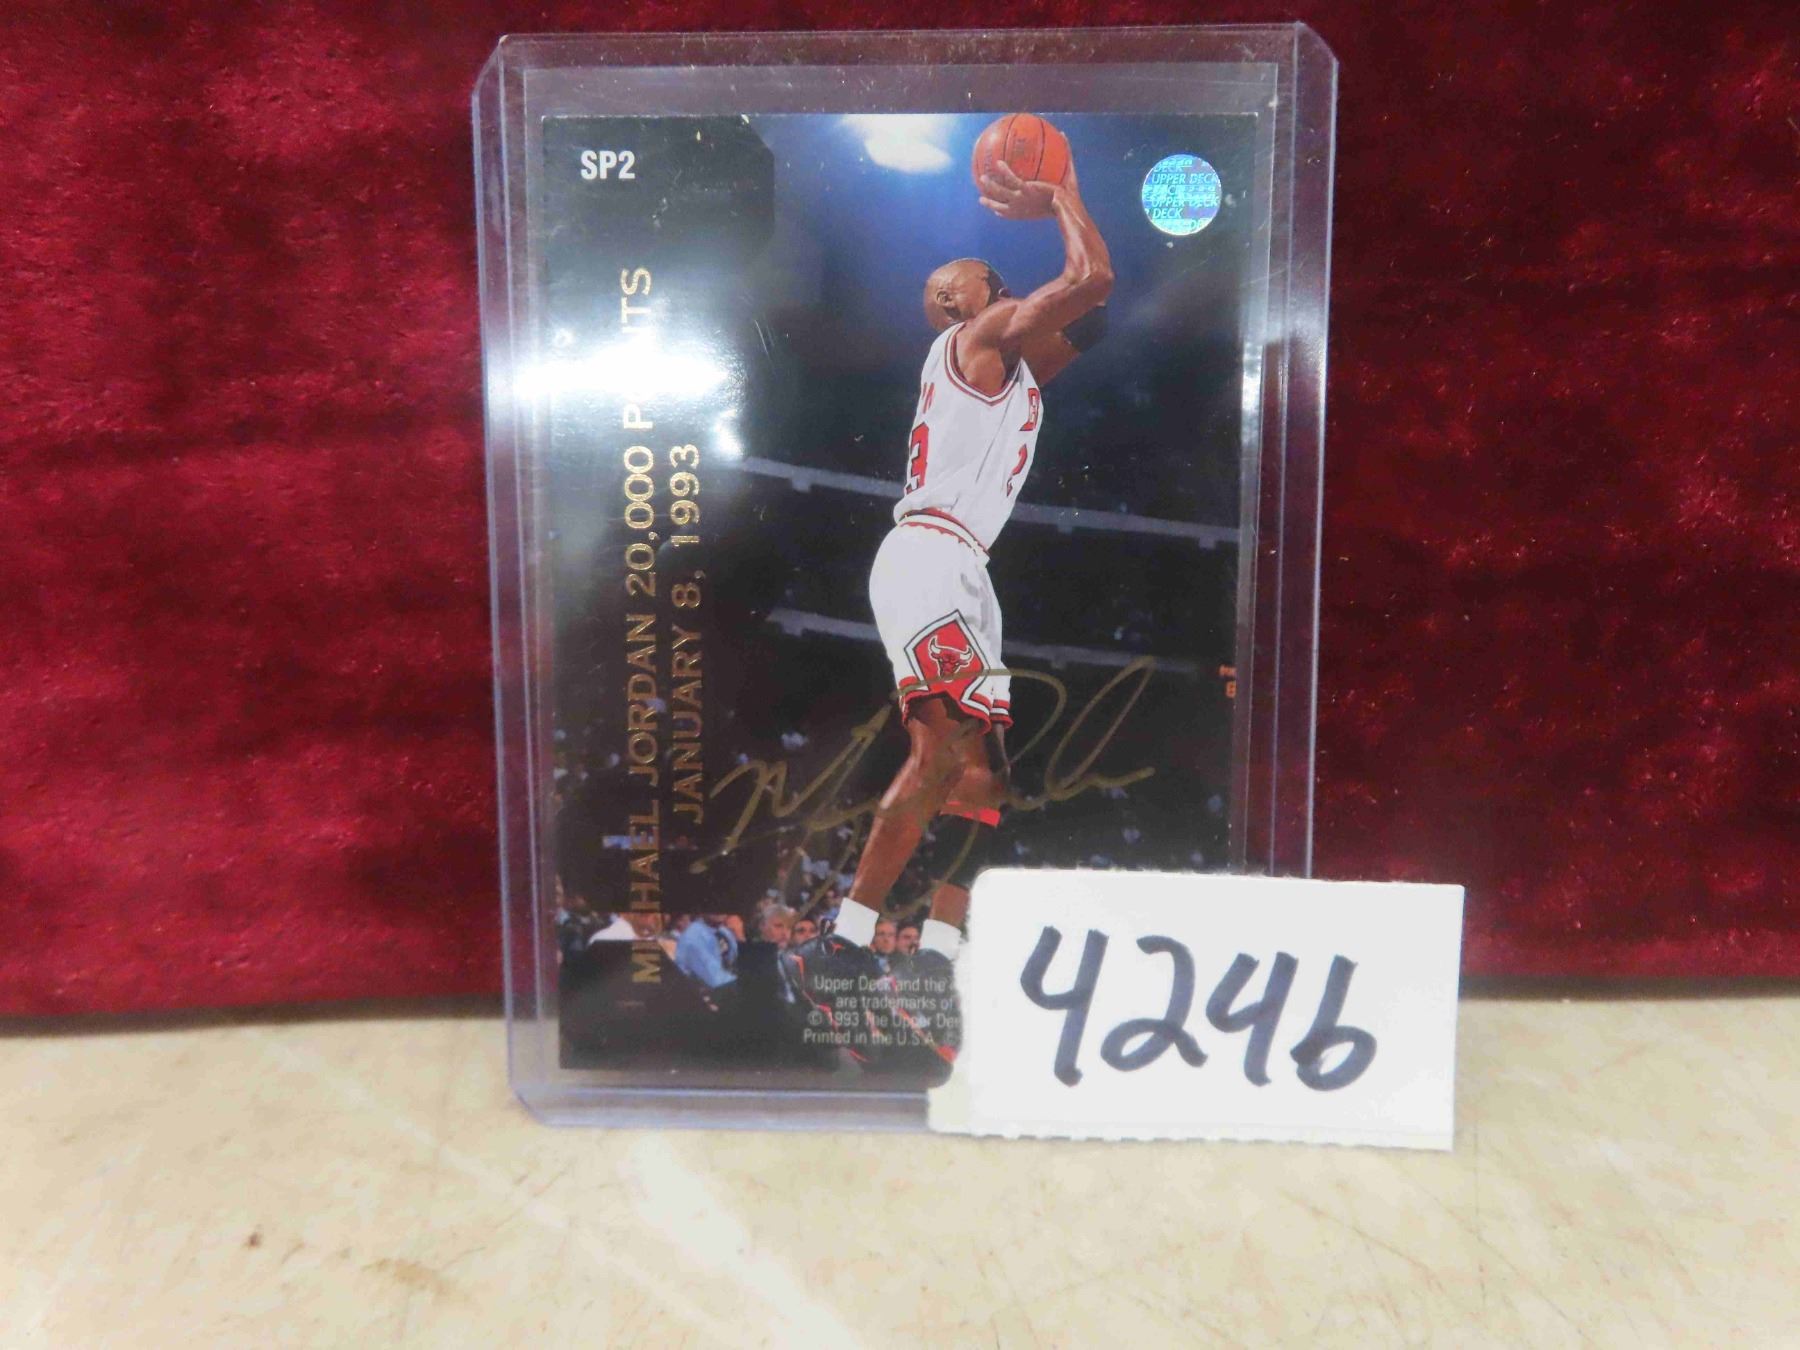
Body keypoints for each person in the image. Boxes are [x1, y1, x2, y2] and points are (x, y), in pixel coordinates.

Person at [811, 153, 1113, 972]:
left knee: (985, 779)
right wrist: (1059, 194)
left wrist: (1072, 220)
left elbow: (1095, 314)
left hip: (968, 567)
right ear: (956, 302)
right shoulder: (974, 337)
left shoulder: (1015, 366)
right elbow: (1091, 281)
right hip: (927, 557)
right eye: (989, 278)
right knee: (940, 753)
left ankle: (939, 950)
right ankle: (844, 940)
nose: (1005, 287)